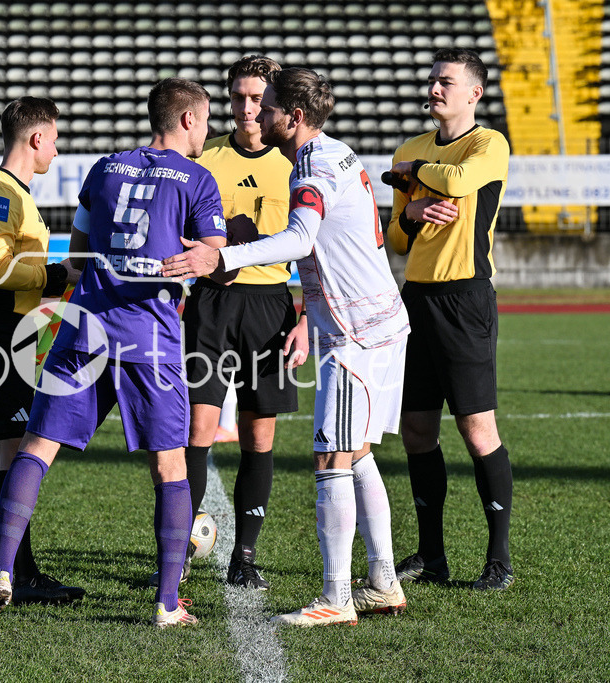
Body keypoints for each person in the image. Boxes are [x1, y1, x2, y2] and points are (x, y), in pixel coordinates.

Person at [0, 77, 228, 630]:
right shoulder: (199, 180)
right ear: (186, 120)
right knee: (170, 465)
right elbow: (210, 257)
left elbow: (77, 256)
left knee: (35, 450)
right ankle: (165, 603)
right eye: (205, 120)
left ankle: (2, 573)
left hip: (83, 328)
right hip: (149, 337)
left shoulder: (104, 169)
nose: (208, 130)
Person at [162, 67, 410, 627]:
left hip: (354, 332)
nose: (257, 113)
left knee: (329, 459)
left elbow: (300, 238)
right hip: (375, 321)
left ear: (292, 117)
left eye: (268, 105)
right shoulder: (334, 152)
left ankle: (336, 598)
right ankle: (384, 581)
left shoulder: (313, 166)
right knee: (359, 455)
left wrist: (220, 257)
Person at [154, 54, 299, 591]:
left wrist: (305, 314)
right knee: (197, 429)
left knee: (260, 436)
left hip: (271, 307)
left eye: (257, 97)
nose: (246, 107)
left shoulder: (296, 161)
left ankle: (245, 555)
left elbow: (315, 245)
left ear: (274, 101)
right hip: (211, 305)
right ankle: (181, 551)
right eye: (237, 96)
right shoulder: (204, 158)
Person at [386, 47, 514, 591]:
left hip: (465, 298)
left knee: (475, 427)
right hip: (415, 297)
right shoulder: (409, 146)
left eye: (447, 81)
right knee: (416, 429)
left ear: (474, 94)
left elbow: (460, 181)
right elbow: (393, 236)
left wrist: (412, 175)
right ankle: (431, 556)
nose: (436, 88)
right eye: (433, 79)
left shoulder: (489, 143)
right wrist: (410, 210)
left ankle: (499, 561)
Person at [0, 96, 84, 606]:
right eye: (53, 139)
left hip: (8, 327)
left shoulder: (11, 192)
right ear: (35, 138)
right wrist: (59, 275)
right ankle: (18, 573)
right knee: (14, 453)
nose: (55, 150)